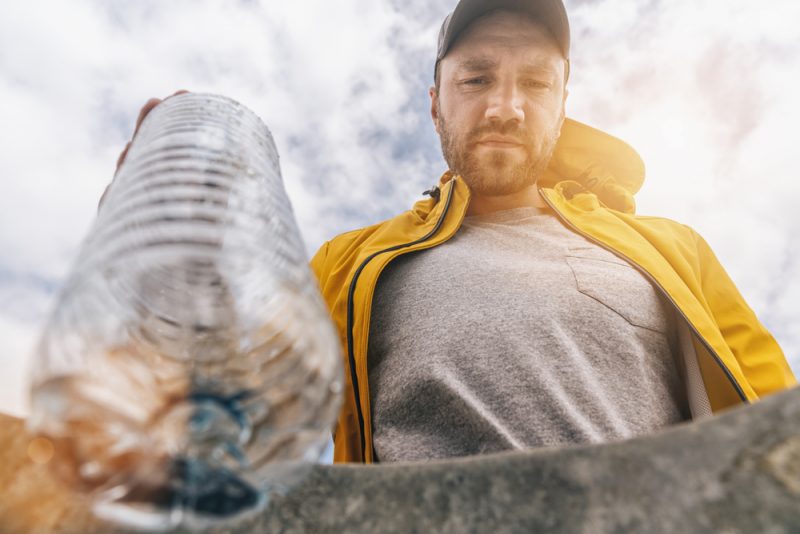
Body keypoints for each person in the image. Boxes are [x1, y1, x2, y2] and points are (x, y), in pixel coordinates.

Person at [118, 0, 796, 465]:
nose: (506, 106)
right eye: (477, 78)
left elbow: (781, 428)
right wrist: (151, 247)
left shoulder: (672, 250)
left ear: (562, 110)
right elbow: (213, 424)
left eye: (535, 83)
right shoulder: (349, 265)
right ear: (436, 102)